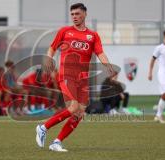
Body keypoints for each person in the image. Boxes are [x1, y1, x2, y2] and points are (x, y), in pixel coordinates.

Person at [35, 3, 115, 152]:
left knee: (80, 113)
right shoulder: (64, 31)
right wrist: (49, 58)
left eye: (77, 14)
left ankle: (56, 142)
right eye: (72, 14)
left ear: (85, 14)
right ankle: (43, 127)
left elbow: (100, 52)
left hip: (83, 79)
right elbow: (52, 47)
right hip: (67, 75)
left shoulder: (93, 35)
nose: (74, 17)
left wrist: (107, 65)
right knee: (73, 108)